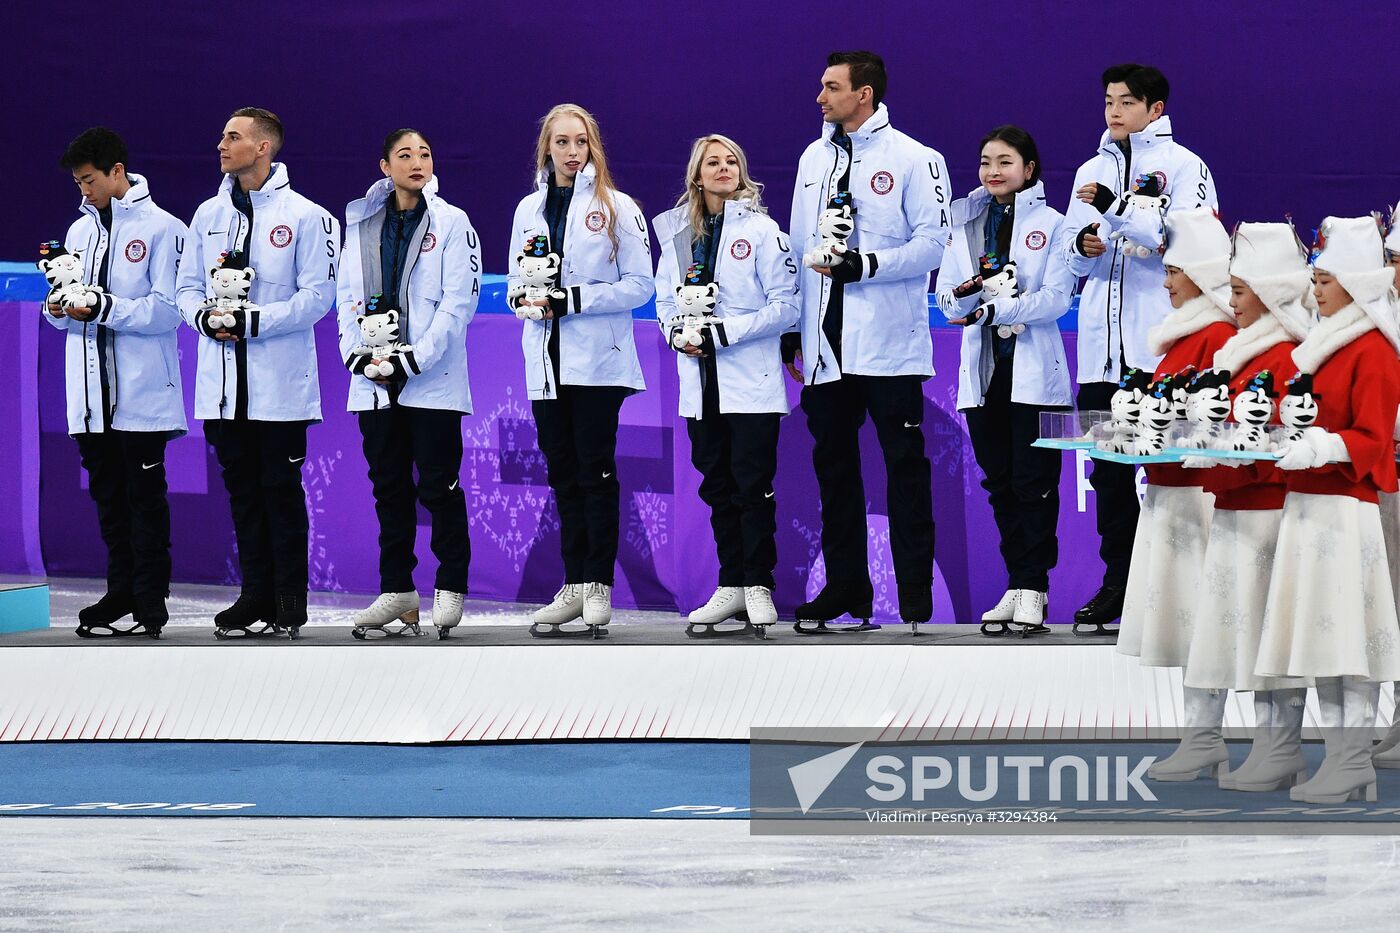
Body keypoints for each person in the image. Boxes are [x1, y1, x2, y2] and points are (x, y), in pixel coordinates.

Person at [784, 50, 951, 632]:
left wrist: (866, 264)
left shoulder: (915, 158)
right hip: (826, 346)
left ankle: (914, 597)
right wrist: (792, 329)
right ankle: (847, 588)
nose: (820, 97)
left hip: (888, 346)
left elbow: (934, 245)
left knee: (905, 469)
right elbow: (798, 244)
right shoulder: (812, 157)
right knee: (834, 471)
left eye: (831, 87)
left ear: (865, 94)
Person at [1062, 63, 1218, 632]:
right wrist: (1085, 242)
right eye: (1108, 101)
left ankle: (1182, 588)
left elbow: (1190, 244)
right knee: (1107, 472)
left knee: (1173, 470)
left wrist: (1115, 207)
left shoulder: (1185, 166)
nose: (1113, 112)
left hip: (1162, 351)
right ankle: (1121, 585)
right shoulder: (1090, 168)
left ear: (1154, 109)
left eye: (1126, 103)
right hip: (1103, 351)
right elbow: (1070, 257)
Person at [175, 107, 339, 638]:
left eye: (233, 136)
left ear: (264, 147)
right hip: (222, 389)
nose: (221, 144)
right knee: (243, 496)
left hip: (278, 390)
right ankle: (254, 595)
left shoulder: (307, 216)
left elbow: (318, 297)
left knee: (280, 492)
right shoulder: (206, 215)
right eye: (223, 135)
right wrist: (203, 316)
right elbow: (184, 288)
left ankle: (290, 598)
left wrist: (253, 321)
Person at [1256, 216, 1400, 803]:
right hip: (1308, 509)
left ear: (1358, 282)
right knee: (1317, 641)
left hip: (1345, 510)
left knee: (1346, 640)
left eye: (1327, 278)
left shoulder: (1373, 350)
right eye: (1314, 278)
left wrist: (1320, 447)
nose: (1315, 288)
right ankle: (1340, 757)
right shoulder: (1318, 348)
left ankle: (1350, 759)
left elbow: (1370, 436)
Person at [1172, 222, 1314, 790]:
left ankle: (1281, 747)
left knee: (1268, 635)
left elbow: (1284, 435)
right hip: (1236, 504)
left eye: (1239, 288)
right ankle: (1268, 746)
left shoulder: (1284, 355)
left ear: (1271, 291)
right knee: (1246, 633)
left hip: (1267, 508)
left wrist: (1222, 443)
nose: (1229, 298)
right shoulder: (1246, 350)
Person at [506, 104, 652, 636]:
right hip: (545, 363)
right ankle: (572, 582)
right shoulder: (528, 209)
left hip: (597, 364)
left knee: (595, 472)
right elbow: (521, 279)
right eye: (561, 142)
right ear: (546, 148)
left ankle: (597, 584)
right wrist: (529, 299)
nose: (571, 152)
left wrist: (573, 299)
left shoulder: (616, 207)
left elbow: (642, 285)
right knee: (562, 473)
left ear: (593, 149)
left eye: (580, 142)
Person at [42, 128, 188, 638]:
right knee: (109, 500)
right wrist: (57, 308)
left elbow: (170, 311)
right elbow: (67, 309)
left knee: (144, 500)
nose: (83, 191)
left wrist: (103, 307)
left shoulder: (164, 229)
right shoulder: (78, 233)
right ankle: (121, 589)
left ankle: (151, 599)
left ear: (117, 171)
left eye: (89, 180)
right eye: (78, 182)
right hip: (89, 397)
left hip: (141, 395)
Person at [652, 134, 799, 637]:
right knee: (717, 487)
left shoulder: (762, 232)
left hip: (750, 384)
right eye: (712, 162)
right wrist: (678, 334)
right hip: (700, 386)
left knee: (751, 487)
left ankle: (758, 585)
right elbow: (664, 305)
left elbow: (788, 306)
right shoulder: (674, 235)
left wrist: (723, 332)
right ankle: (731, 583)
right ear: (697, 175)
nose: (723, 168)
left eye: (731, 160)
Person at [337, 129, 481, 639]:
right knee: (389, 490)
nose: (417, 162)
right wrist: (356, 354)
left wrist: (414, 360)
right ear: (384, 166)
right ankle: (397, 588)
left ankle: (450, 584)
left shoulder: (452, 221)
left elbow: (457, 303)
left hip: (430, 382)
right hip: (375, 381)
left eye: (425, 153)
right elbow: (348, 299)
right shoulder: (359, 225)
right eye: (405, 155)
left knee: (439, 486)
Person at [934, 125, 1074, 635]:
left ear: (1029, 169)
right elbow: (948, 300)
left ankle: (1035, 587)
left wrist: (1002, 307)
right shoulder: (963, 224)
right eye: (986, 162)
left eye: (1005, 162)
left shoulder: (1055, 225)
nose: (993, 171)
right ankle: (1016, 583)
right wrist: (973, 295)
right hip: (983, 376)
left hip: (1038, 378)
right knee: (1000, 486)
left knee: (1035, 485)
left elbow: (1058, 299)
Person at [1116, 209, 1236, 767]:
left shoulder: (1215, 336)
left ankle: (1206, 739)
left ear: (1202, 274)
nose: (1165, 284)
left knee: (1201, 620)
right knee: (1190, 621)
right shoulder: (1184, 337)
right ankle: (1199, 737)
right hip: (1172, 492)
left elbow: (1219, 421)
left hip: (1197, 497)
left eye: (1173, 272)